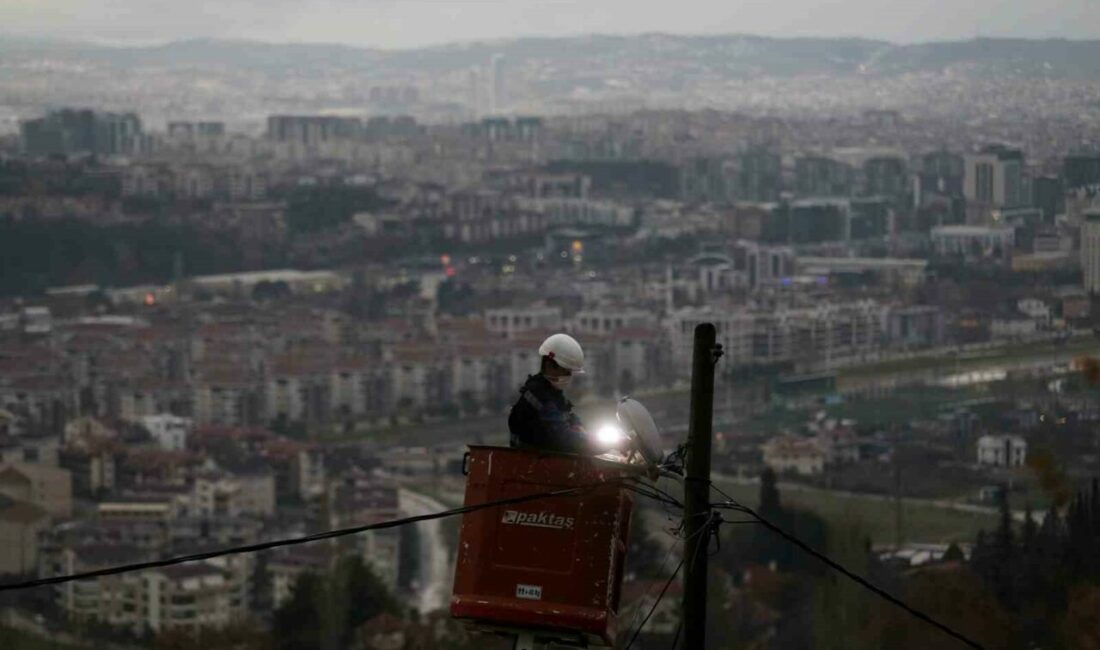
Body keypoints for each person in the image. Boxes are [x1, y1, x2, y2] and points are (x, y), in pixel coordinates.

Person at [508, 333, 593, 454]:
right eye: (566, 372)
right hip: (531, 465)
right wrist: (600, 443)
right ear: (549, 366)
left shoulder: (553, 394)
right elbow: (563, 437)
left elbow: (569, 417)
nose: (569, 377)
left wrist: (581, 429)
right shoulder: (537, 395)